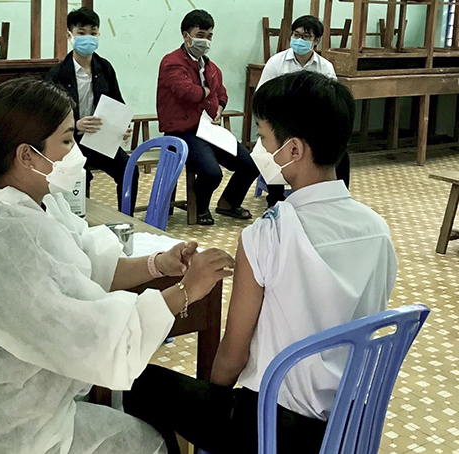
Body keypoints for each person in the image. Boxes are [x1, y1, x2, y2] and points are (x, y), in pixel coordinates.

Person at [0, 77, 234, 454]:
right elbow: (98, 336)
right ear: (26, 155)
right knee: (149, 443)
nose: (76, 151)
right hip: (4, 424)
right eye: (66, 140)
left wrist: (158, 264)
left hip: (24, 395)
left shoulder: (40, 200)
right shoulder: (8, 235)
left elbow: (89, 264)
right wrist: (187, 291)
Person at [124, 72, 398, 454]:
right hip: (350, 425)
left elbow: (234, 356)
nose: (258, 148)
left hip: (271, 430)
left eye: (265, 139)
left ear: (294, 151)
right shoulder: (378, 231)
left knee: (138, 383)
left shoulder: (269, 235)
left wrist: (214, 398)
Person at [157, 9, 259, 225]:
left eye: (209, 36)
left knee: (250, 164)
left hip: (209, 129)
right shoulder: (172, 62)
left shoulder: (210, 67)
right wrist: (206, 92)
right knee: (212, 173)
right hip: (183, 130)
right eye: (200, 35)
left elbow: (222, 93)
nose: (205, 40)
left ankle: (228, 203)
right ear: (186, 35)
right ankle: (200, 207)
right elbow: (188, 92)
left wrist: (219, 107)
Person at [45, 7, 137, 214]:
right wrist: (74, 124)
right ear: (70, 35)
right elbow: (49, 115)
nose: (88, 38)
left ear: (99, 34)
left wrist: (122, 127)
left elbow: (118, 104)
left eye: (93, 32)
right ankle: (78, 221)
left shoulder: (105, 68)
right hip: (70, 143)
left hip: (100, 141)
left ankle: (128, 219)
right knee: (79, 176)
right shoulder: (57, 74)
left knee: (129, 169)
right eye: (81, 32)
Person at [257, 15, 350, 206]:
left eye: (305, 37)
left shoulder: (325, 67)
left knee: (342, 155)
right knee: (273, 151)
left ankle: (337, 200)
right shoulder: (276, 63)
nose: (299, 40)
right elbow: (262, 97)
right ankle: (275, 200)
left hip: (312, 128)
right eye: (296, 35)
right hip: (281, 125)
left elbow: (330, 103)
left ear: (316, 41)